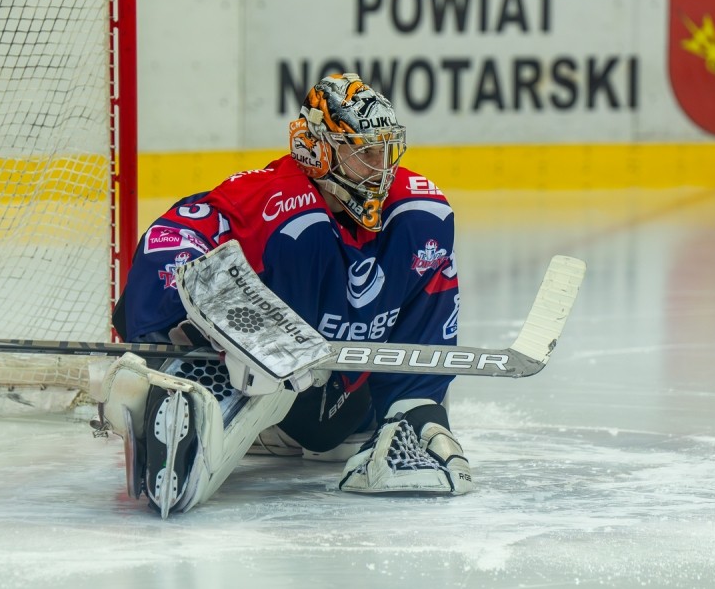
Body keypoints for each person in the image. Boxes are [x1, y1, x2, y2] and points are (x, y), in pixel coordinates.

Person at [102, 73, 473, 515]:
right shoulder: (276, 201)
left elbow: (425, 325)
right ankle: (177, 386)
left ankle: (281, 423)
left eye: (385, 150)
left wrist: (419, 407)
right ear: (317, 150)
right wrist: (181, 325)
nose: (381, 167)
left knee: (336, 433)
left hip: (331, 399)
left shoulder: (420, 212)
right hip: (253, 373)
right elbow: (169, 240)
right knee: (302, 240)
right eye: (363, 152)